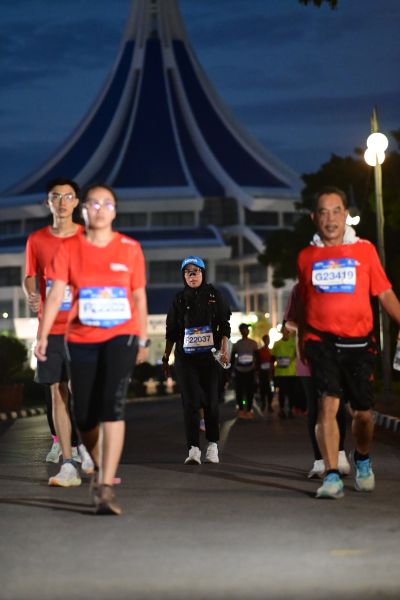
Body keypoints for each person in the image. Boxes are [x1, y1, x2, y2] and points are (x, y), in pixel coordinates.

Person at [35, 183, 149, 515]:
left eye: (107, 204)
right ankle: (97, 463)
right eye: (94, 204)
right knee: (84, 415)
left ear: (115, 211)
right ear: (84, 210)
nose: (100, 209)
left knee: (113, 406)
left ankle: (105, 485)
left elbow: (139, 296)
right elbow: (56, 294)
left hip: (120, 336)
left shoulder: (130, 248)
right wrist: (43, 335)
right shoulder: (69, 248)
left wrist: (142, 338)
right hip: (81, 338)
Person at [297, 186, 400, 499]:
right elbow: (305, 303)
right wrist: (303, 338)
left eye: (336, 211)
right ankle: (331, 475)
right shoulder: (306, 257)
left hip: (358, 343)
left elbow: (384, 293)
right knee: (327, 404)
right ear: (314, 218)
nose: (330, 219)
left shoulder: (364, 251)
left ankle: (363, 458)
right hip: (321, 341)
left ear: (345, 214)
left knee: (363, 415)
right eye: (323, 212)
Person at [23, 177, 93, 486]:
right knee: (57, 392)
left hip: (82, 326)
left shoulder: (88, 237)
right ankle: (67, 462)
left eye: (68, 196)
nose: (62, 202)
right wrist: (32, 294)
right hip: (50, 327)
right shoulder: (37, 240)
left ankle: (88, 447)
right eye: (56, 196)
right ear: (47, 202)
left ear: (76, 202)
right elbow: (30, 275)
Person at [162, 256, 231, 465]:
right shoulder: (179, 299)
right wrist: (166, 357)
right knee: (190, 402)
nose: (192, 276)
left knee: (211, 402)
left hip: (210, 358)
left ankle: (212, 445)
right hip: (186, 359)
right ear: (183, 276)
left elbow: (224, 324)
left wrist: (224, 349)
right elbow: (171, 331)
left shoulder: (214, 295)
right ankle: (193, 449)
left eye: (196, 271)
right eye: (187, 272)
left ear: (203, 272)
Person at [284, 283, 350, 478]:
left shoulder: (337, 283)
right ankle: (319, 461)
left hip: (335, 356)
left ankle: (339, 454)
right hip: (307, 358)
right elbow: (288, 322)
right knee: (314, 409)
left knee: (337, 405)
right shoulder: (299, 288)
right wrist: (304, 328)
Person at [230, 323, 258, 418]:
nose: (247, 331)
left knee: (250, 391)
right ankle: (241, 409)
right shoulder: (237, 344)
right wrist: (231, 371)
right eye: (245, 329)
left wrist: (256, 370)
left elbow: (257, 357)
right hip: (239, 371)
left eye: (247, 329)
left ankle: (249, 409)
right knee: (240, 391)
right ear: (241, 331)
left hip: (250, 370)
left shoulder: (253, 343)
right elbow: (232, 358)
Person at [271, 325, 297, 419]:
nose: (284, 331)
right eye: (283, 329)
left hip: (291, 372)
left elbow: (297, 354)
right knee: (281, 392)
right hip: (280, 373)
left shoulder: (293, 342)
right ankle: (281, 410)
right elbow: (272, 357)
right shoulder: (277, 343)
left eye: (285, 329)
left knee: (291, 393)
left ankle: (290, 410)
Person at [256, 334, 274, 413]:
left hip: (270, 373)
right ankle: (263, 403)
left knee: (270, 390)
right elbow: (257, 362)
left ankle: (269, 405)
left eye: (268, 339)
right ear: (264, 341)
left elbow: (273, 361)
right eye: (266, 339)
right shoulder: (260, 351)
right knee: (262, 389)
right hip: (262, 373)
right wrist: (257, 373)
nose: (267, 341)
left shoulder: (272, 351)